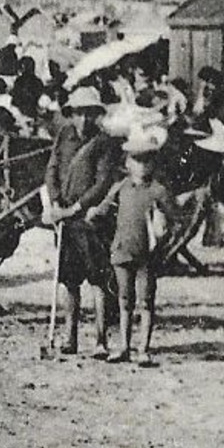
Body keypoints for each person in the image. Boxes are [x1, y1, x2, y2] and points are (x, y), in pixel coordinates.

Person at [88, 127, 180, 365]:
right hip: (122, 250)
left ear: (153, 163)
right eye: (136, 160)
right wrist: (91, 214)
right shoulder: (120, 188)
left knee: (146, 300)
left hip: (147, 254)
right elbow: (102, 211)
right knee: (124, 299)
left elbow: (175, 220)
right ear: (127, 162)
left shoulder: (159, 191)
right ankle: (125, 347)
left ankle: (143, 349)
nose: (141, 165)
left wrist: (163, 232)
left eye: (146, 160)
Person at [41, 86, 122, 358]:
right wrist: (54, 202)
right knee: (69, 280)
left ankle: (100, 340)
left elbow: (102, 183)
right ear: (71, 114)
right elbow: (51, 169)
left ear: (96, 115)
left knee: (98, 280)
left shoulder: (105, 143)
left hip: (89, 221)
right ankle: (70, 337)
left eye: (88, 114)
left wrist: (75, 208)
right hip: (64, 220)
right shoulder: (64, 135)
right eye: (78, 114)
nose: (83, 120)